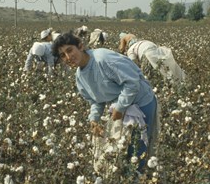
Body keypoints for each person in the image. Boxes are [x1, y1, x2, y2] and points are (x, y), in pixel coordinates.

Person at [52, 32, 159, 169]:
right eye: (62, 55)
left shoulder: (103, 59)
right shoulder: (80, 77)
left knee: (137, 149)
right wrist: (94, 119)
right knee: (122, 151)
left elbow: (132, 82)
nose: (68, 57)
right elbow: (96, 100)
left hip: (142, 102)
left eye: (69, 50)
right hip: (123, 106)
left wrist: (120, 107)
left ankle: (139, 181)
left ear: (80, 46)